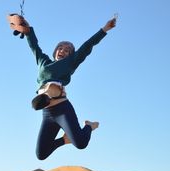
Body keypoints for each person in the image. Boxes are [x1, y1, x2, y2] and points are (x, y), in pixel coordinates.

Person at [9, 15, 117, 160]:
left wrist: (104, 29)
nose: (63, 50)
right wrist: (27, 29)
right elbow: (33, 44)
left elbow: (87, 46)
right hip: (47, 113)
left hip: (62, 109)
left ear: (71, 55)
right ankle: (65, 140)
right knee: (41, 154)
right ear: (55, 51)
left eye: (67, 50)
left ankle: (89, 126)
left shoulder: (70, 63)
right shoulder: (43, 61)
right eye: (60, 48)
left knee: (81, 143)